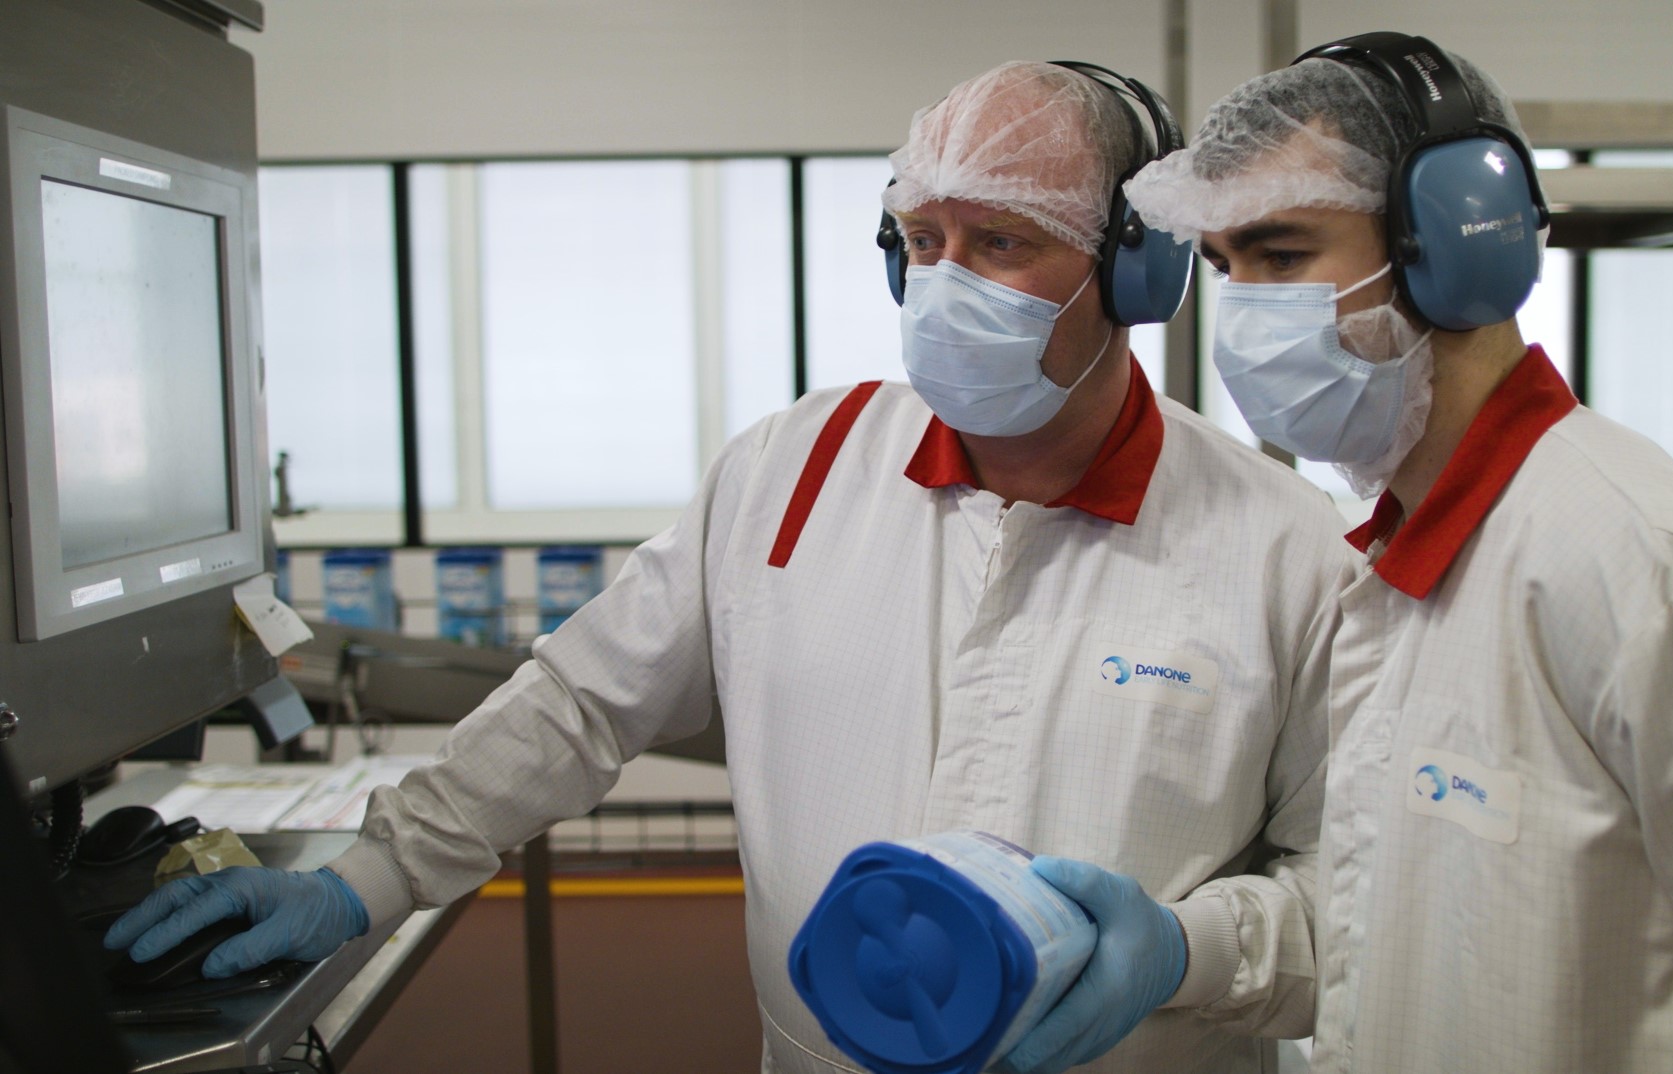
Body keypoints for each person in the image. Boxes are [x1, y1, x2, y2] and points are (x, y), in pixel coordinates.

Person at [107, 61, 1354, 1073]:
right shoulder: (792, 472)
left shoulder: (1282, 550)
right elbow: (580, 704)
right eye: (920, 239)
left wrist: (1187, 950)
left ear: (1137, 268)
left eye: (1002, 242)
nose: (944, 285)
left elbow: (1352, 901)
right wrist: (368, 878)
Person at [1122, 31, 1673, 1072]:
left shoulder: (1635, 562)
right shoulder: (1396, 565)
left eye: (1284, 256)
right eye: (1227, 267)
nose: (1247, 313)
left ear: (1456, 246)